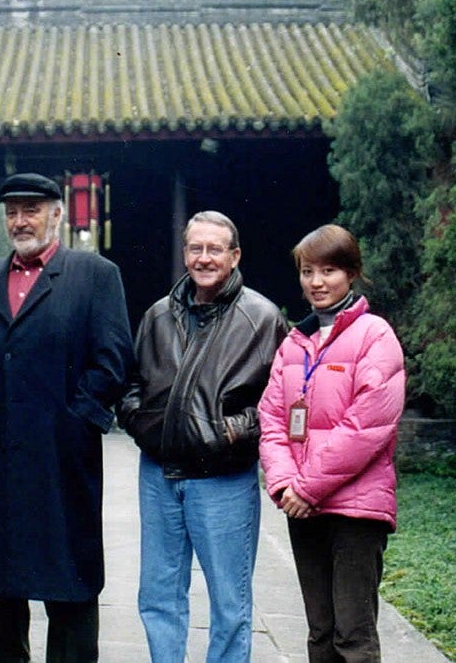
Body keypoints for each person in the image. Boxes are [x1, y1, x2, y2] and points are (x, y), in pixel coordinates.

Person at [0, 172, 133, 663]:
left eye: (31, 209)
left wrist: (76, 423)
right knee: (2, 588)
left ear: (57, 213)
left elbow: (113, 361)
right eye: (12, 211)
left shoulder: (94, 275)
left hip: (60, 463)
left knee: (69, 582)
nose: (20, 221)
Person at [117, 211, 287, 662]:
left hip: (223, 479)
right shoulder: (157, 316)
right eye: (196, 248)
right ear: (185, 252)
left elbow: (283, 402)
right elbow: (132, 385)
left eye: (215, 249)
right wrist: (142, 424)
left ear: (234, 256)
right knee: (158, 595)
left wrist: (230, 431)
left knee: (230, 603)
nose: (204, 258)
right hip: (158, 475)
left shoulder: (262, 318)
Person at [258, 224, 405, 663]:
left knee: (353, 637)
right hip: (303, 509)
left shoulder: (375, 336)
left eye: (329, 270)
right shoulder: (294, 342)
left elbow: (367, 428)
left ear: (352, 273)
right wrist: (285, 483)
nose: (317, 282)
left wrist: (306, 489)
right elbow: (271, 417)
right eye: (307, 272)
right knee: (320, 634)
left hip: (356, 512)